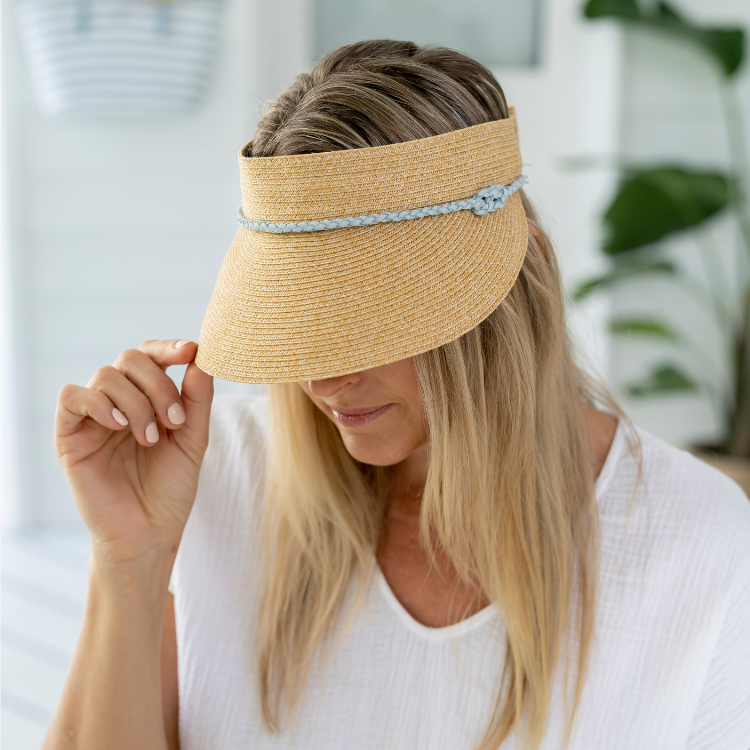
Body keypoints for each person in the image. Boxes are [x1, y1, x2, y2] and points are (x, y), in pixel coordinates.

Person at [44, 41, 750, 750]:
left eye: (369, 321)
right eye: (300, 318)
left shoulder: (696, 544)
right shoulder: (211, 474)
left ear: (519, 273)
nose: (322, 379)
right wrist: (128, 560)